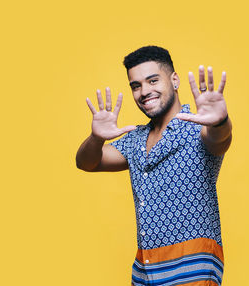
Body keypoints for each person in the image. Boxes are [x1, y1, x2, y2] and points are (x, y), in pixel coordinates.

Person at [76, 45, 232, 285]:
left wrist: (221, 121)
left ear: (175, 80)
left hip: (191, 266)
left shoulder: (199, 129)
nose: (144, 91)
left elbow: (219, 139)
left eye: (152, 81)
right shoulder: (135, 139)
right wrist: (96, 137)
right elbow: (87, 162)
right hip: (145, 269)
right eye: (136, 86)